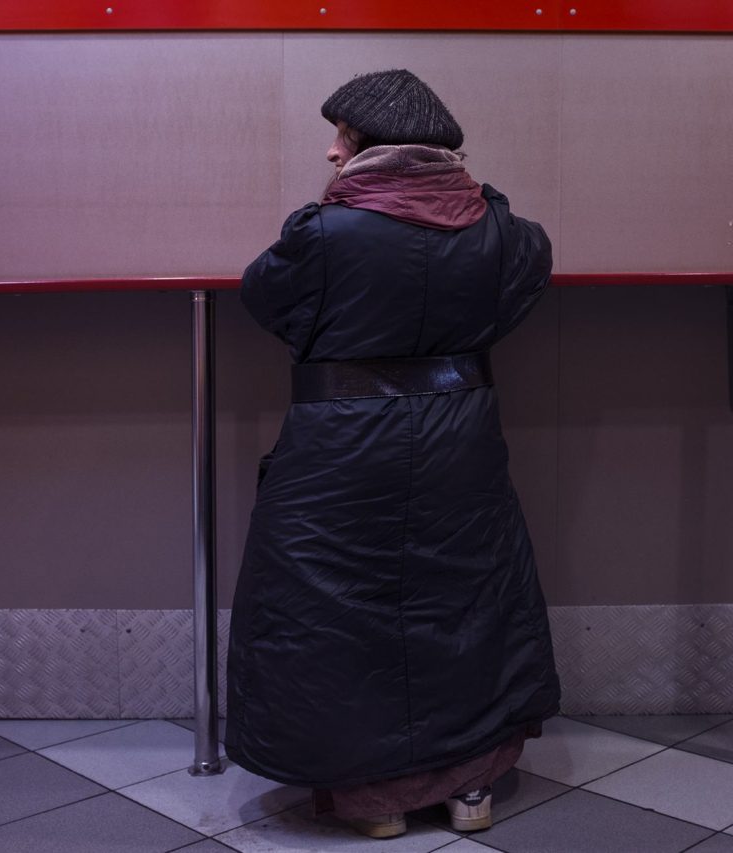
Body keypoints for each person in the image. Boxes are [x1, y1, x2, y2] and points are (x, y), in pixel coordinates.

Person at [225, 69, 561, 839]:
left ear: (372, 146)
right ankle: (470, 788)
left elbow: (264, 298)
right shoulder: (505, 232)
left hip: (340, 443)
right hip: (461, 438)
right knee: (465, 600)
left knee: (335, 608)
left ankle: (374, 802)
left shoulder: (323, 234)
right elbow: (522, 284)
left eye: (341, 137)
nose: (330, 151)